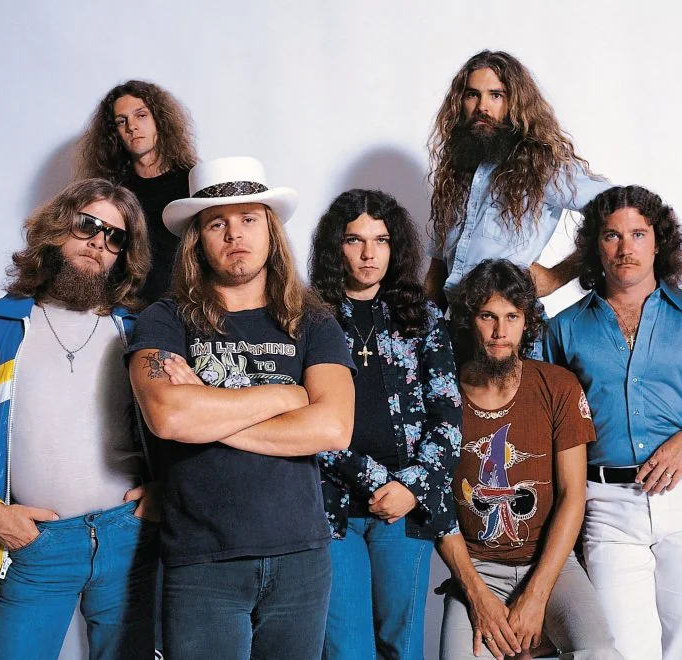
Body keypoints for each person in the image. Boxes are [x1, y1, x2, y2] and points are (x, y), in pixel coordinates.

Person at [126, 156, 355, 659]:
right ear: (197, 239)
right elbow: (169, 416)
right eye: (217, 223)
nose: (235, 234)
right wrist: (285, 397)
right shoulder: (165, 320)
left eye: (249, 219)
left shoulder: (312, 321)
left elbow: (334, 427)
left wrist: (208, 414)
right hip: (201, 560)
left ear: (270, 230)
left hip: (300, 555)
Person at [0, 179, 158, 658]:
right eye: (88, 225)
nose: (98, 242)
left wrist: (165, 487)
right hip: (38, 546)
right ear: (58, 228)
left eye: (115, 236)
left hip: (128, 538)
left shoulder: (135, 330)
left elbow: (170, 422)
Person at [545, 185, 682, 659]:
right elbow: (545, 421)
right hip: (606, 506)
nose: (626, 248)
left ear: (658, 242)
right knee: (621, 648)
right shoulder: (563, 329)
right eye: (612, 236)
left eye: (638, 234)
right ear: (595, 246)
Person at [437, 259, 620, 660]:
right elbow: (436, 505)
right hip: (477, 569)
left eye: (512, 316)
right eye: (488, 316)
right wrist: (476, 595)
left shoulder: (557, 386)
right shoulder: (442, 392)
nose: (500, 332)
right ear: (471, 320)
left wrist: (537, 595)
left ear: (527, 322)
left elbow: (574, 494)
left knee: (600, 652)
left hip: (552, 564)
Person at [309, 189, 462, 659]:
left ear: (396, 248)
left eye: (381, 240)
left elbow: (449, 415)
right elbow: (301, 416)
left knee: (402, 645)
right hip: (333, 506)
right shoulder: (309, 318)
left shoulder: (423, 318)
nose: (369, 253)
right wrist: (374, 479)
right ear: (337, 247)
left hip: (405, 506)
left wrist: (412, 486)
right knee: (347, 649)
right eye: (355, 240)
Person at [425, 49, 610, 316]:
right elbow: (438, 267)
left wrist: (557, 276)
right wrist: (423, 329)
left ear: (516, 102)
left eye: (496, 95)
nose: (482, 107)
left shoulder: (543, 165)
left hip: (513, 327)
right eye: (472, 94)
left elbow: (618, 209)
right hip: (457, 326)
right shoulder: (456, 169)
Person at [80, 79, 197, 303]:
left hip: (183, 306)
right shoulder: (111, 191)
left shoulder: (192, 181)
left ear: (159, 120)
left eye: (141, 115)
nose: (131, 126)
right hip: (123, 307)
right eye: (121, 121)